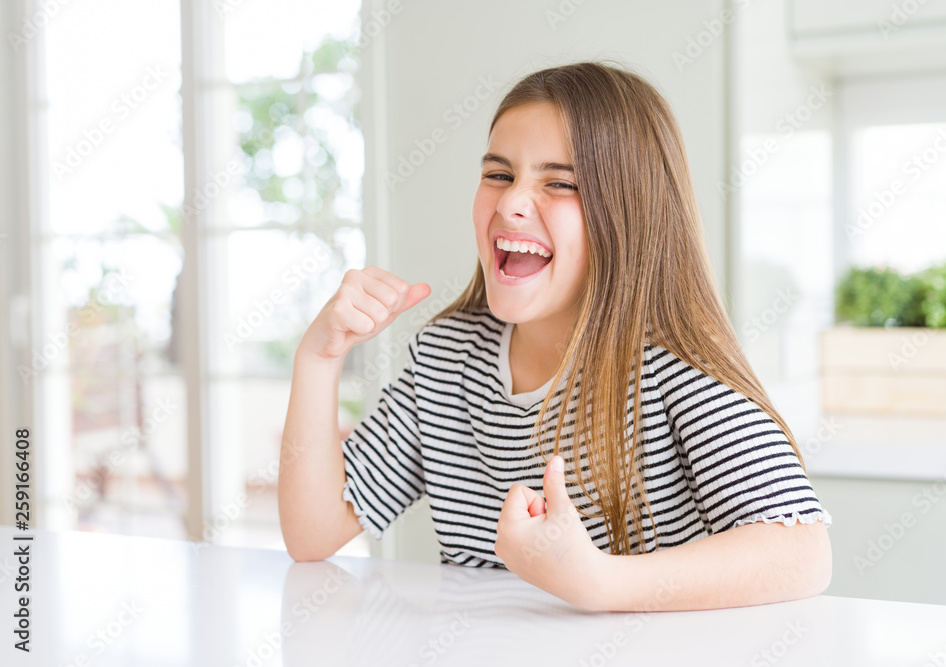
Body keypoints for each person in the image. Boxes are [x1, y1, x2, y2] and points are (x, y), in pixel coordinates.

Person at [278, 61, 833, 612]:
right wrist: (319, 359)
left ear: (629, 214)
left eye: (560, 183)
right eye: (498, 174)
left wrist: (597, 581)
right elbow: (314, 533)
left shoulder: (671, 367)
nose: (510, 202)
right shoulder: (446, 357)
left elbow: (802, 553)